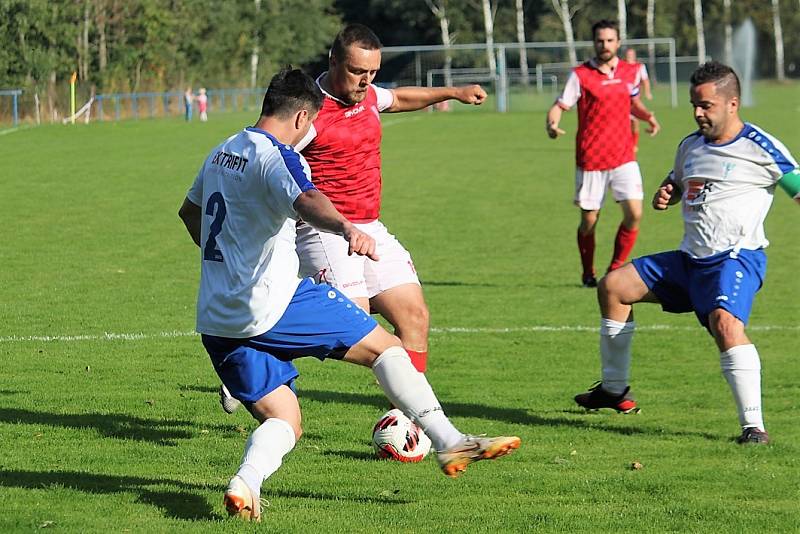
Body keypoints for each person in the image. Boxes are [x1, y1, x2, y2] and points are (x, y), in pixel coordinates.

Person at [178, 68, 521, 521]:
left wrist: (229, 256)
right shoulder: (280, 158)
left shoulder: (222, 151)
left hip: (218, 318)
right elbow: (306, 201)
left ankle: (246, 483)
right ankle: (449, 441)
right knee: (387, 350)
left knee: (285, 420)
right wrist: (345, 227)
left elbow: (189, 213)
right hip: (273, 303)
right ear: (302, 117)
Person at [573, 61, 799, 445]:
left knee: (726, 326)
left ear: (732, 104)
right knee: (614, 287)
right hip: (689, 259)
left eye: (706, 105)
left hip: (734, 257)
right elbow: (678, 180)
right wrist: (669, 191)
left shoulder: (760, 147)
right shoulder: (690, 145)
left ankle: (753, 427)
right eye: (695, 104)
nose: (697, 113)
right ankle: (613, 389)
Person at [295, 23, 488, 374]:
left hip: (370, 226)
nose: (366, 80)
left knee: (415, 317)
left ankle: (404, 424)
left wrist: (453, 93)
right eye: (357, 71)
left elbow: (397, 98)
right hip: (326, 230)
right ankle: (261, 352)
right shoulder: (307, 111)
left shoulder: (366, 94)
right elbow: (271, 163)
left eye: (372, 72)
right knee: (352, 329)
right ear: (333, 61)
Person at [546, 20, 660, 288]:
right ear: (594, 43)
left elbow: (632, 102)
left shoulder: (630, 72)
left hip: (623, 157)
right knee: (588, 220)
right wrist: (552, 124)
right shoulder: (581, 75)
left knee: (635, 214)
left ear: (618, 43)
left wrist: (648, 117)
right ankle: (588, 272)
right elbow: (560, 105)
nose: (605, 45)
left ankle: (615, 268)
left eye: (610, 40)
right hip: (591, 159)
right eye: (600, 41)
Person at [623, 48, 653, 153]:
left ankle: (634, 145)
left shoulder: (639, 67)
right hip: (621, 99)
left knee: (634, 122)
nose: (629, 56)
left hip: (634, 99)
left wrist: (647, 92)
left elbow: (645, 80)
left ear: (634, 56)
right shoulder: (620, 66)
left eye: (631, 54)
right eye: (627, 54)